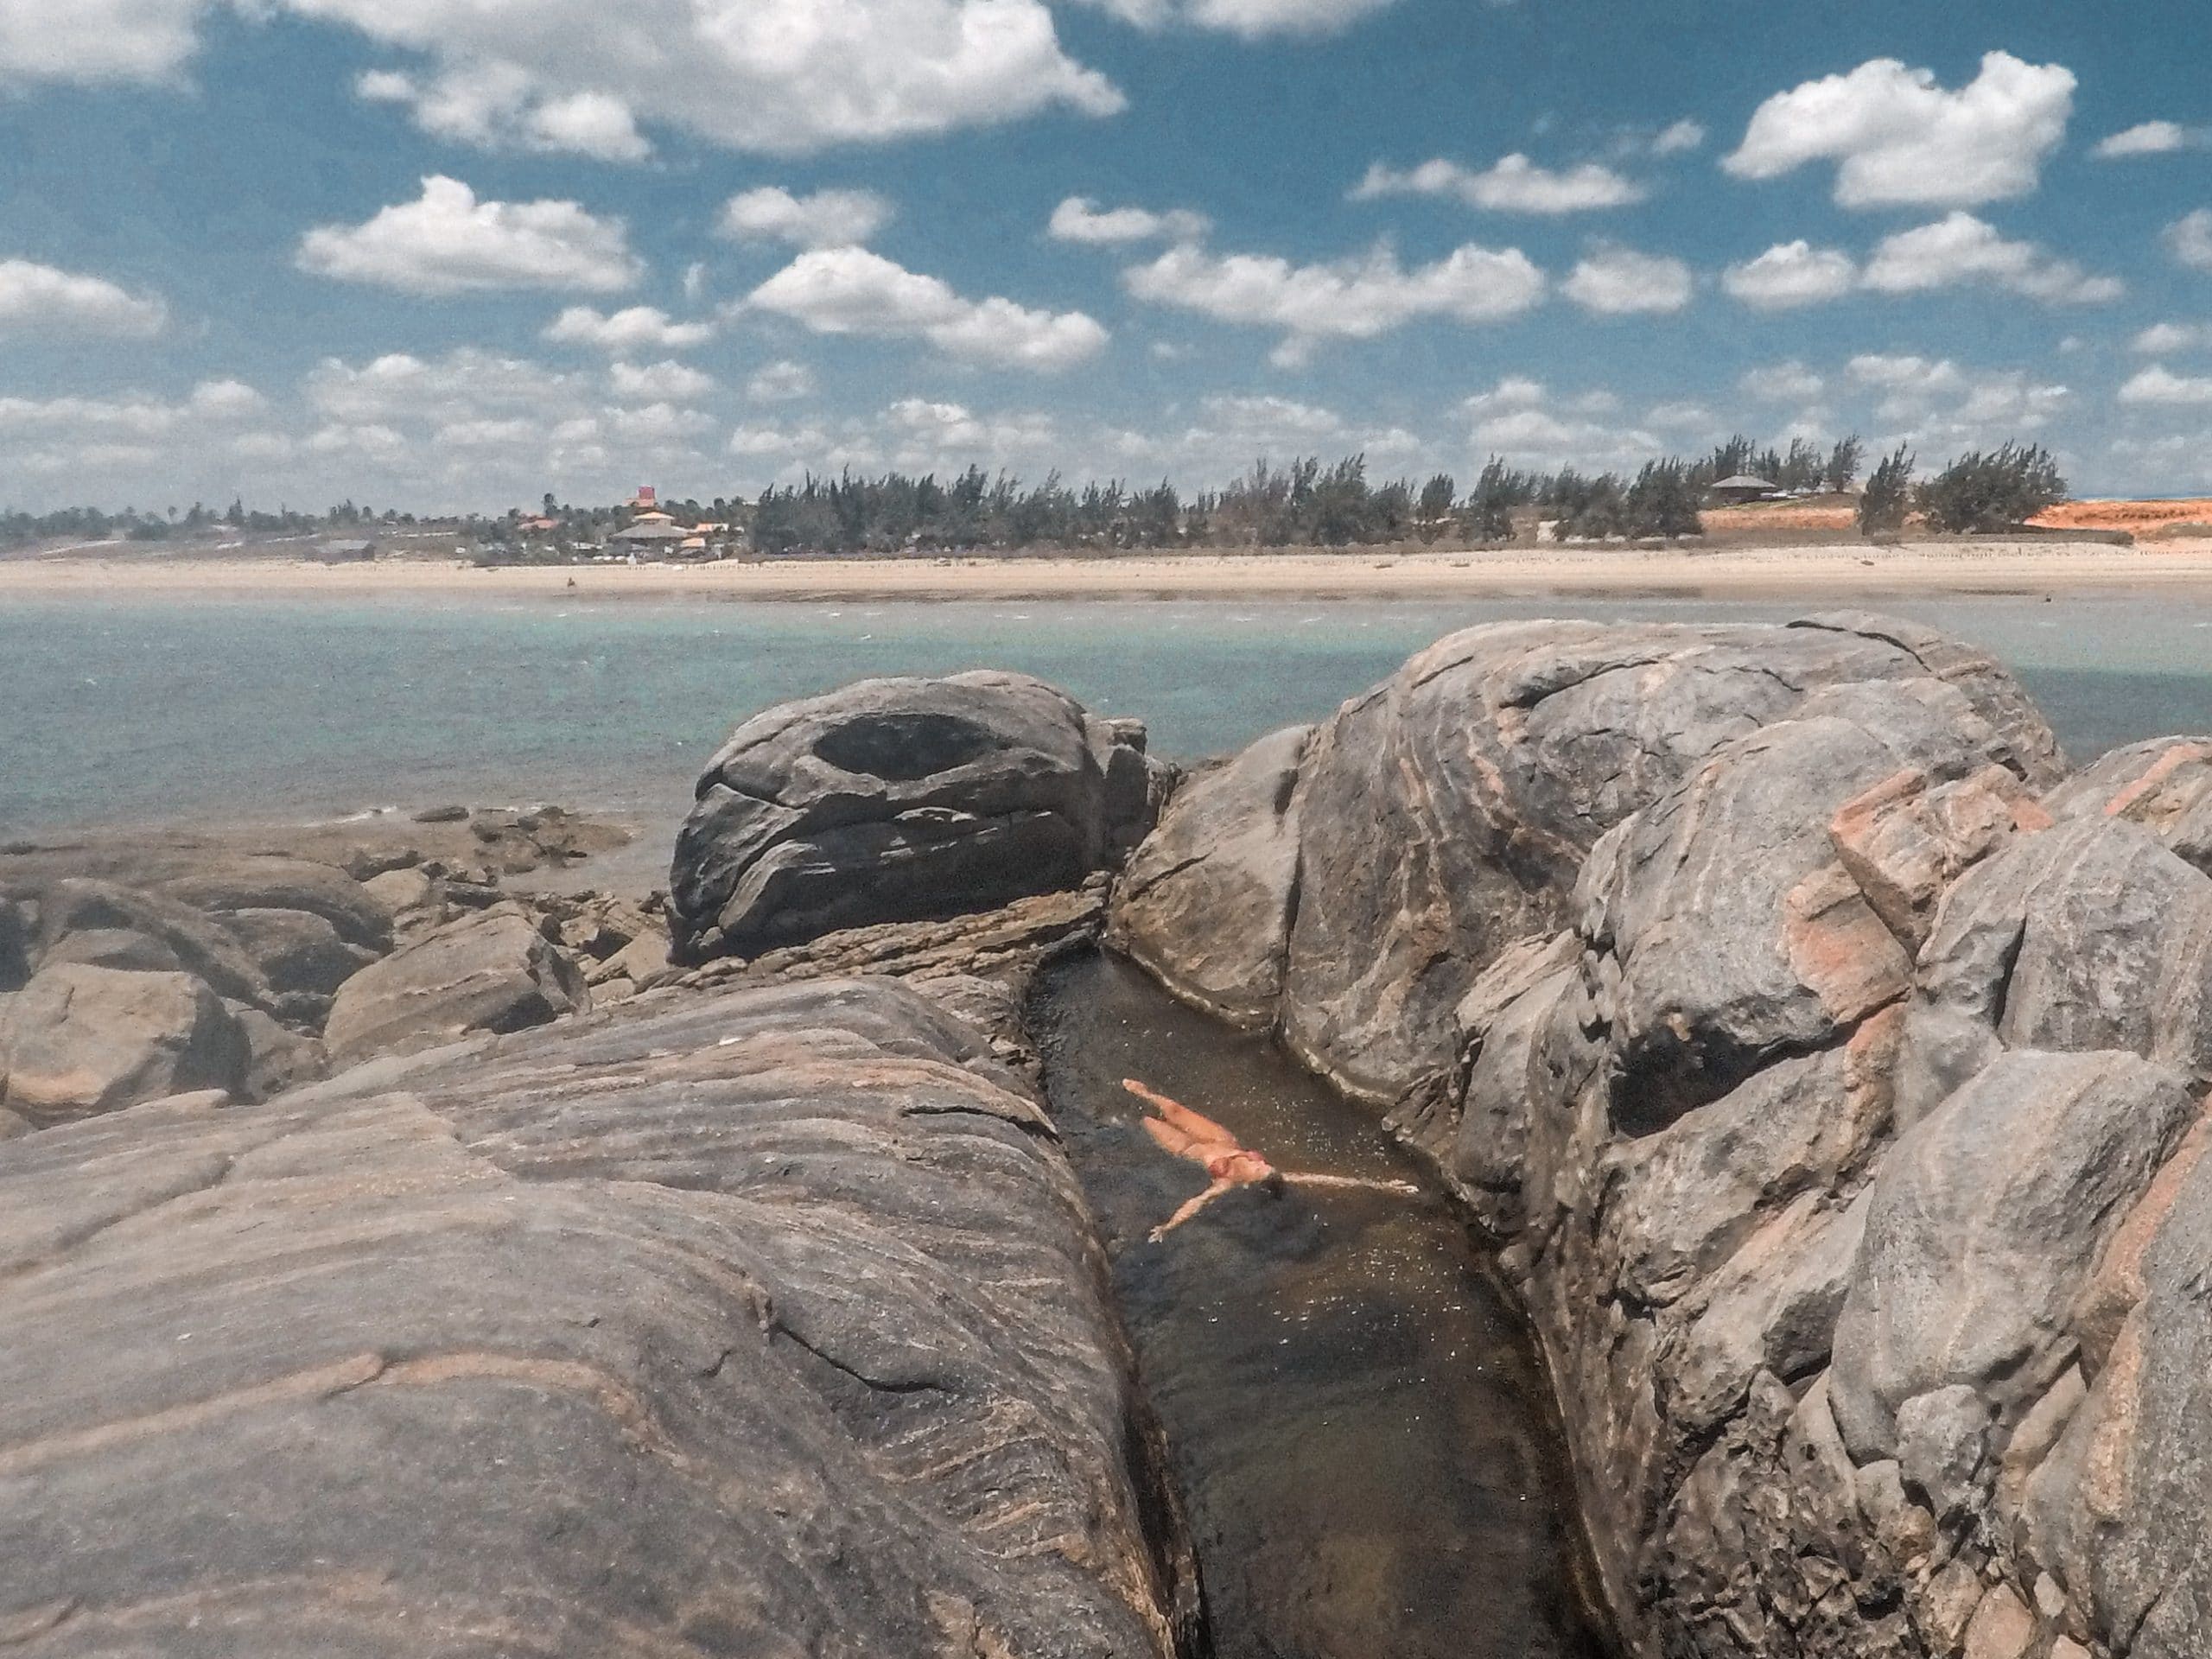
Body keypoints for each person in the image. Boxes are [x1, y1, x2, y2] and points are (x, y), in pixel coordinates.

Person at [1122, 1078, 1418, 1243]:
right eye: (1263, 1164)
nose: (1264, 1164)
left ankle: (1132, 1111)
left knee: (1147, 1121)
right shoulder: (1263, 1169)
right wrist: (1384, 1184)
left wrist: (1167, 1227)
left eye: (1261, 1168)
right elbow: (1329, 1178)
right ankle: (1146, 1092)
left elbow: (1196, 1203)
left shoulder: (1226, 1182)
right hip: (1220, 1139)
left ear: (1253, 1178)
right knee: (1172, 1108)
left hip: (1188, 1149)